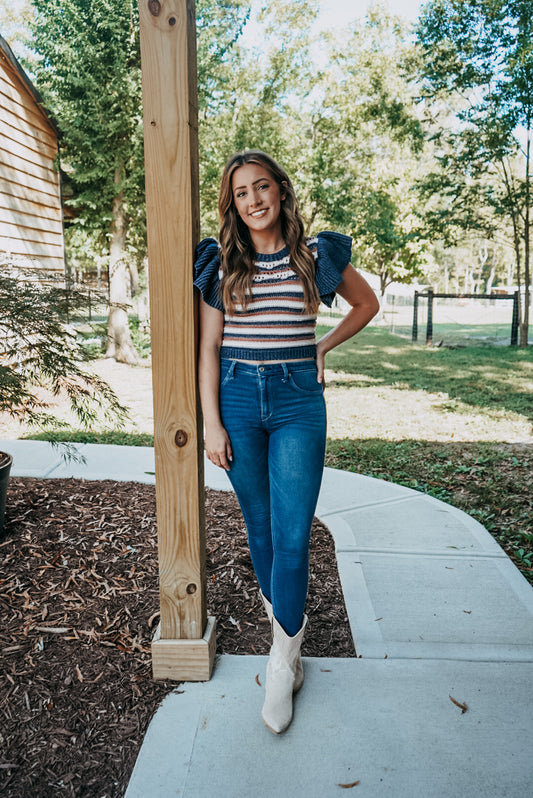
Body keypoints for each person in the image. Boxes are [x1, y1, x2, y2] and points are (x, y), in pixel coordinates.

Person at [194, 150, 379, 734]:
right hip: (239, 401)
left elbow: (367, 303)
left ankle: (282, 660)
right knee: (262, 529)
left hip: (299, 400)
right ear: (233, 204)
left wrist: (322, 347)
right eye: (241, 192)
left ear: (280, 190)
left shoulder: (315, 255)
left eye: (261, 186)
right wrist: (211, 423)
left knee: (295, 534)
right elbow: (207, 350)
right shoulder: (221, 261)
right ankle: (290, 642)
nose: (253, 199)